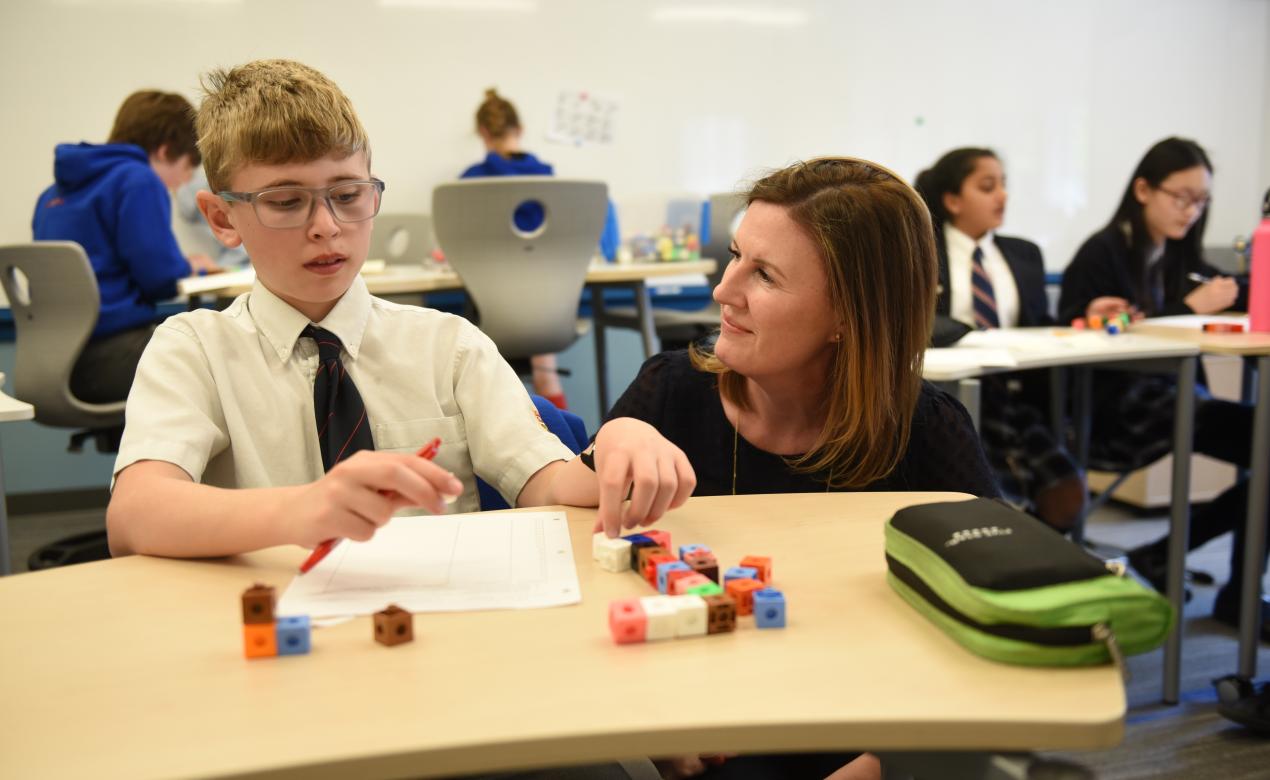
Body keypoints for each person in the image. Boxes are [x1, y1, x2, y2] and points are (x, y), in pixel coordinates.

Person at [106, 59, 694, 560]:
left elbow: (548, 482)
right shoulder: (193, 348)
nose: (326, 227)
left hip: (430, 631)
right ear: (221, 217)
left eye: (347, 194)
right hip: (270, 633)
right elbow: (133, 516)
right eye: (285, 201)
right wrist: (301, 511)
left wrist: (618, 441)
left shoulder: (447, 346)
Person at [605, 157, 999, 780]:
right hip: (705, 716)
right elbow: (593, 572)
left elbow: (997, 618)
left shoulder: (928, 433)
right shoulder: (671, 393)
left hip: (859, 726)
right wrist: (653, 724)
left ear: (849, 315)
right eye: (736, 255)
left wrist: (882, 764)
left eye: (763, 275)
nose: (723, 291)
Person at [1058, 137, 1267, 639]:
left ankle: (1187, 570)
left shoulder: (1179, 256)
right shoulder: (1103, 252)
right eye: (1182, 197)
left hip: (1174, 403)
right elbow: (1072, 335)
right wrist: (1192, 310)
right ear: (1144, 190)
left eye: (1201, 201)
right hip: (1110, 412)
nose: (1192, 211)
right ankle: (1185, 571)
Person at [914, 148, 1086, 533]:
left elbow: (1040, 326)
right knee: (983, 500)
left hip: (1012, 402)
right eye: (987, 186)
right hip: (945, 399)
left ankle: (1032, 559)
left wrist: (1086, 318)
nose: (1002, 196)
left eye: (1004, 185)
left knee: (1067, 493)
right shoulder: (922, 250)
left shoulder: (1024, 254)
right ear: (952, 200)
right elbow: (913, 322)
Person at [32, 89, 221, 405]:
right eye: (187, 168)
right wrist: (194, 266)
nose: (184, 182)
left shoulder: (51, 193)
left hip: (48, 364)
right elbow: (160, 279)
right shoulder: (138, 179)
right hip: (112, 358)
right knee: (224, 361)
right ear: (163, 152)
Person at [459, 88, 621, 411]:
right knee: (546, 377)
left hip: (491, 312)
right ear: (519, 130)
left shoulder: (468, 183)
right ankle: (566, 452)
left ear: (482, 134)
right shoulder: (552, 183)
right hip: (549, 312)